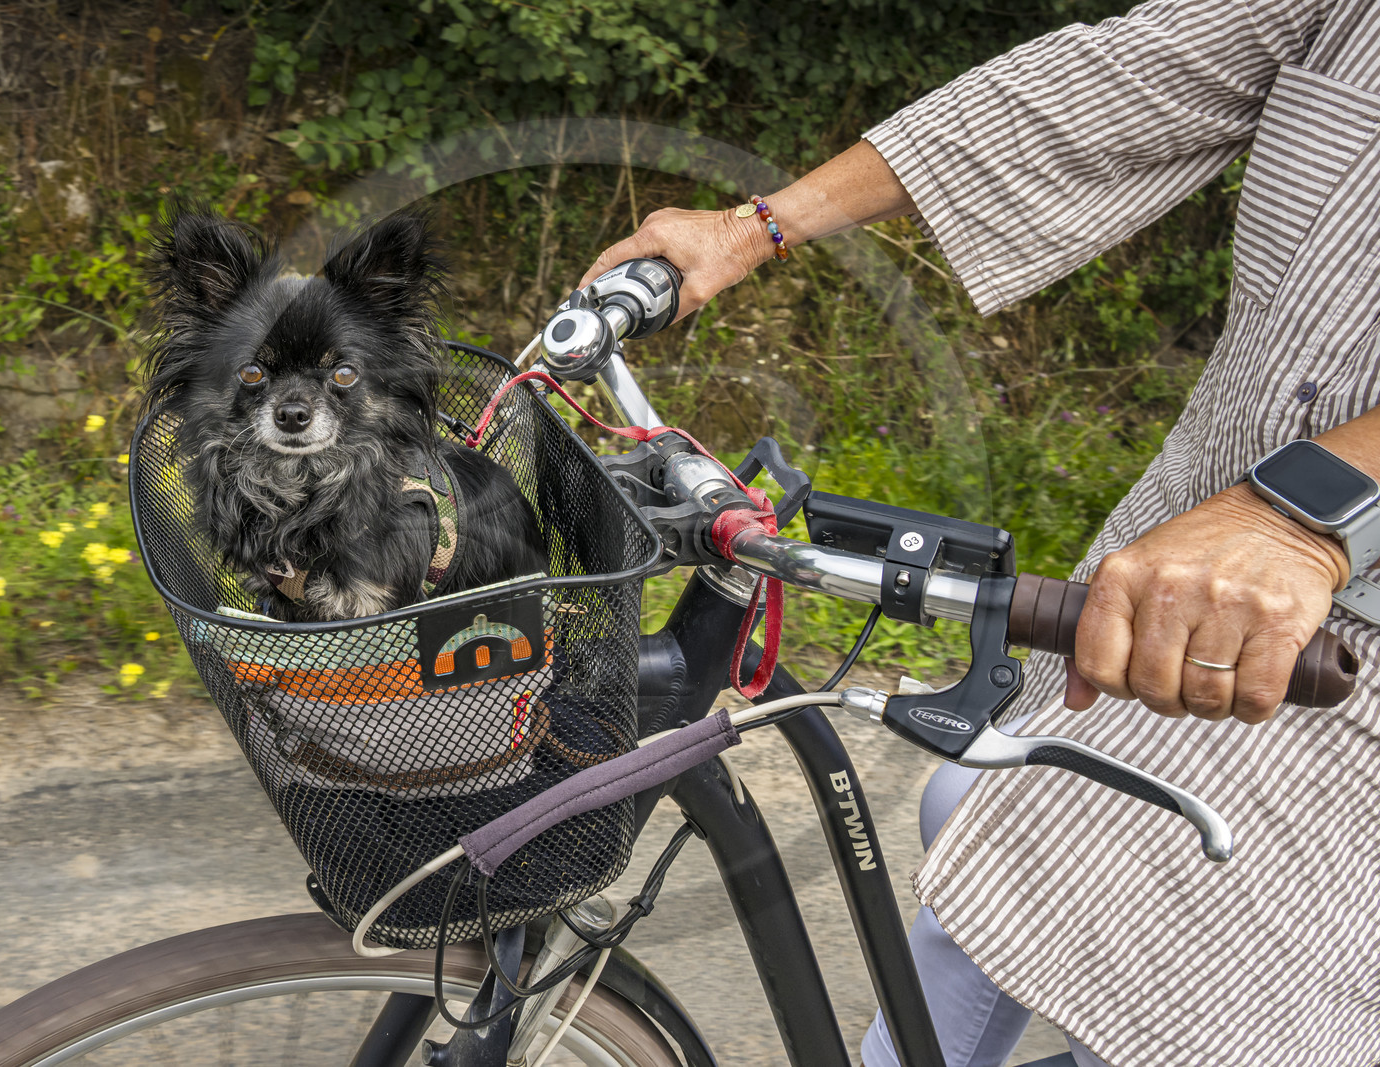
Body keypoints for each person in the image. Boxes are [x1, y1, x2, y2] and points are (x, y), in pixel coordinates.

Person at [581, 1, 1380, 1064]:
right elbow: (1103, 81)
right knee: (989, 819)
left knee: (1185, 989)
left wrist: (1306, 511)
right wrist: (754, 225)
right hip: (1186, 568)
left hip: (1313, 633)